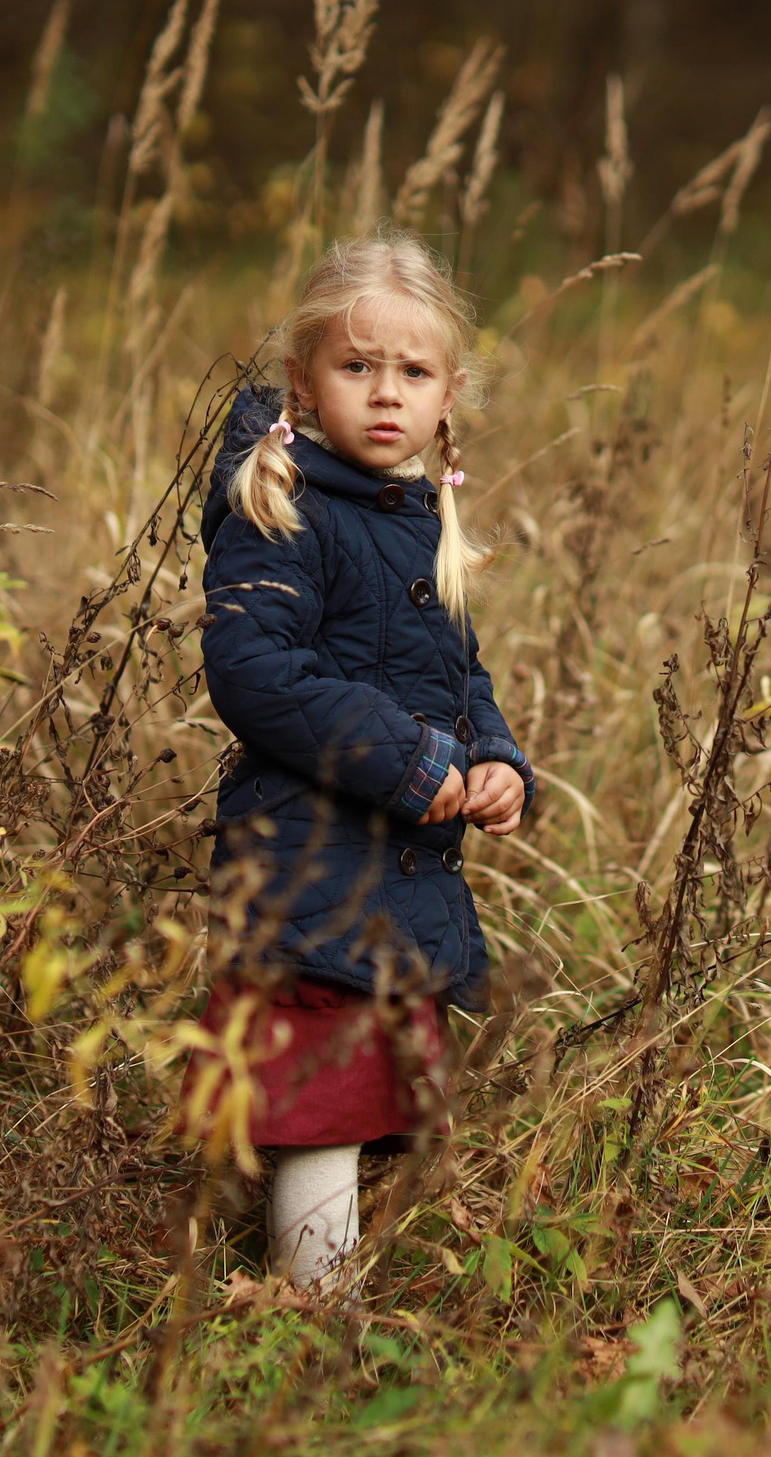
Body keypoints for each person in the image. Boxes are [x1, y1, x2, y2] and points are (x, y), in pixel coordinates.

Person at [189, 228, 532, 1295]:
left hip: (392, 864)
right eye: (356, 366)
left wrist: (492, 761)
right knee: (321, 1095)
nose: (386, 395)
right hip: (310, 860)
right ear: (303, 381)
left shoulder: (415, 514)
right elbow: (254, 670)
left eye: (413, 372)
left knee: (361, 1076)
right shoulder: (284, 506)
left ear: (447, 396)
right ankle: (303, 1305)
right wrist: (408, 761)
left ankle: (301, 1277)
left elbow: (457, 675)